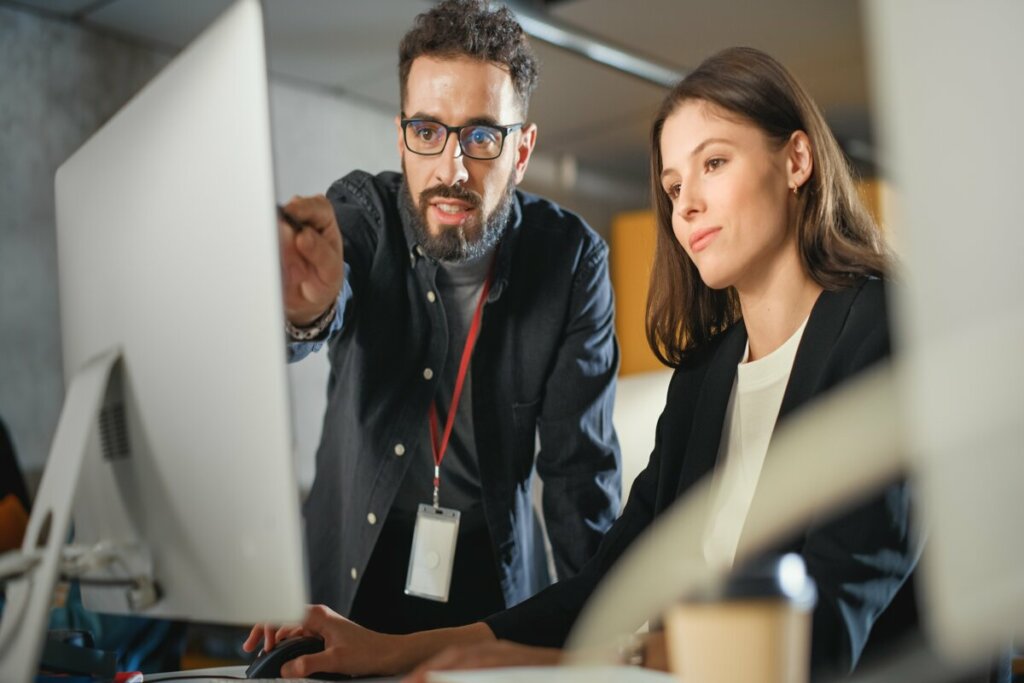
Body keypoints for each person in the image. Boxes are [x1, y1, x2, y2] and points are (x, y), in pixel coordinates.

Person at [245, 47, 919, 681]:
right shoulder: (705, 379)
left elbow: (826, 625)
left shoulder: (886, 331)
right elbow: (606, 586)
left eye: (713, 164)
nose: (685, 205)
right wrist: (388, 650)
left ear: (797, 159)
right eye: (673, 181)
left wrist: (572, 662)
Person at [266, 0, 621, 636]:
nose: (450, 170)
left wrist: (604, 635)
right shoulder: (361, 212)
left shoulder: (571, 262)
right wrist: (306, 311)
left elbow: (580, 476)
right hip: (352, 567)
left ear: (522, 150)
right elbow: (324, 297)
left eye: (481, 136)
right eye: (427, 132)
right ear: (400, 132)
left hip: (493, 575)